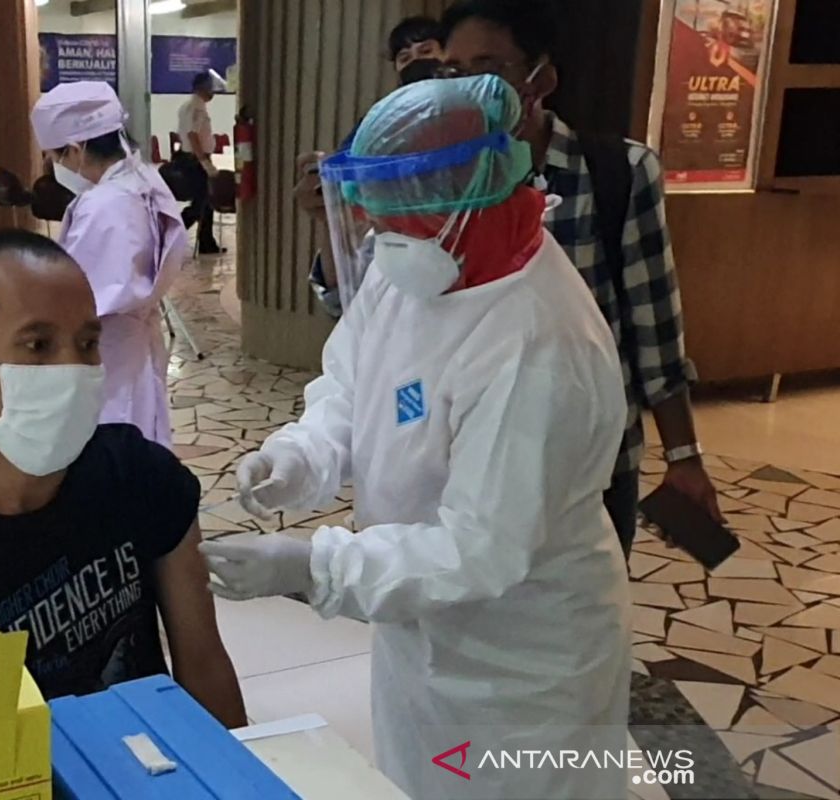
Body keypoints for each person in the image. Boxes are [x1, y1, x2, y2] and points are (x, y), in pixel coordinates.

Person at [203, 76, 631, 800]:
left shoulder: (538, 345)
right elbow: (354, 379)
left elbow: (478, 549)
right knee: (418, 778)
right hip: (421, 630)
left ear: (472, 198)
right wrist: (302, 451)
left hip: (525, 665)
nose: (380, 237)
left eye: (401, 218)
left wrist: (311, 568)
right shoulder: (420, 263)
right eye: (376, 217)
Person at [0, 230, 246, 727]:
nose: (71, 368)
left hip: (143, 768)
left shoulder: (140, 476)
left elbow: (202, 663)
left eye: (87, 343)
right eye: (38, 344)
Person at [434, 0, 718, 554]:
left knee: (580, 629)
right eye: (453, 72)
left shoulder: (619, 171)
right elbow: (377, 317)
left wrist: (684, 456)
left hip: (590, 464)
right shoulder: (437, 180)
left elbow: (652, 326)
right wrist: (334, 230)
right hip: (465, 455)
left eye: (490, 69)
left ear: (543, 76)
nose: (468, 89)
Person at [30, 82, 188, 448]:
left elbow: (76, 296)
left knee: (111, 448)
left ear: (75, 149)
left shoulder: (105, 205)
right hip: (130, 345)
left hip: (106, 352)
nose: (57, 167)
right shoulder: (144, 178)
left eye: (56, 158)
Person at [295, 15, 447, 305]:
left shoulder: (475, 122)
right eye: (404, 57)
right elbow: (341, 297)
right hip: (392, 262)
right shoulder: (379, 125)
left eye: (426, 51)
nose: (416, 61)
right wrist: (327, 196)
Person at [174, 72, 224, 254]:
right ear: (202, 87)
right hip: (195, 161)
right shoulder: (197, 107)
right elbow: (192, 135)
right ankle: (171, 237)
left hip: (191, 158)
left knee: (207, 203)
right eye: (211, 87)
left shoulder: (190, 105)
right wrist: (205, 162)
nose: (214, 91)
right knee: (200, 204)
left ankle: (206, 242)